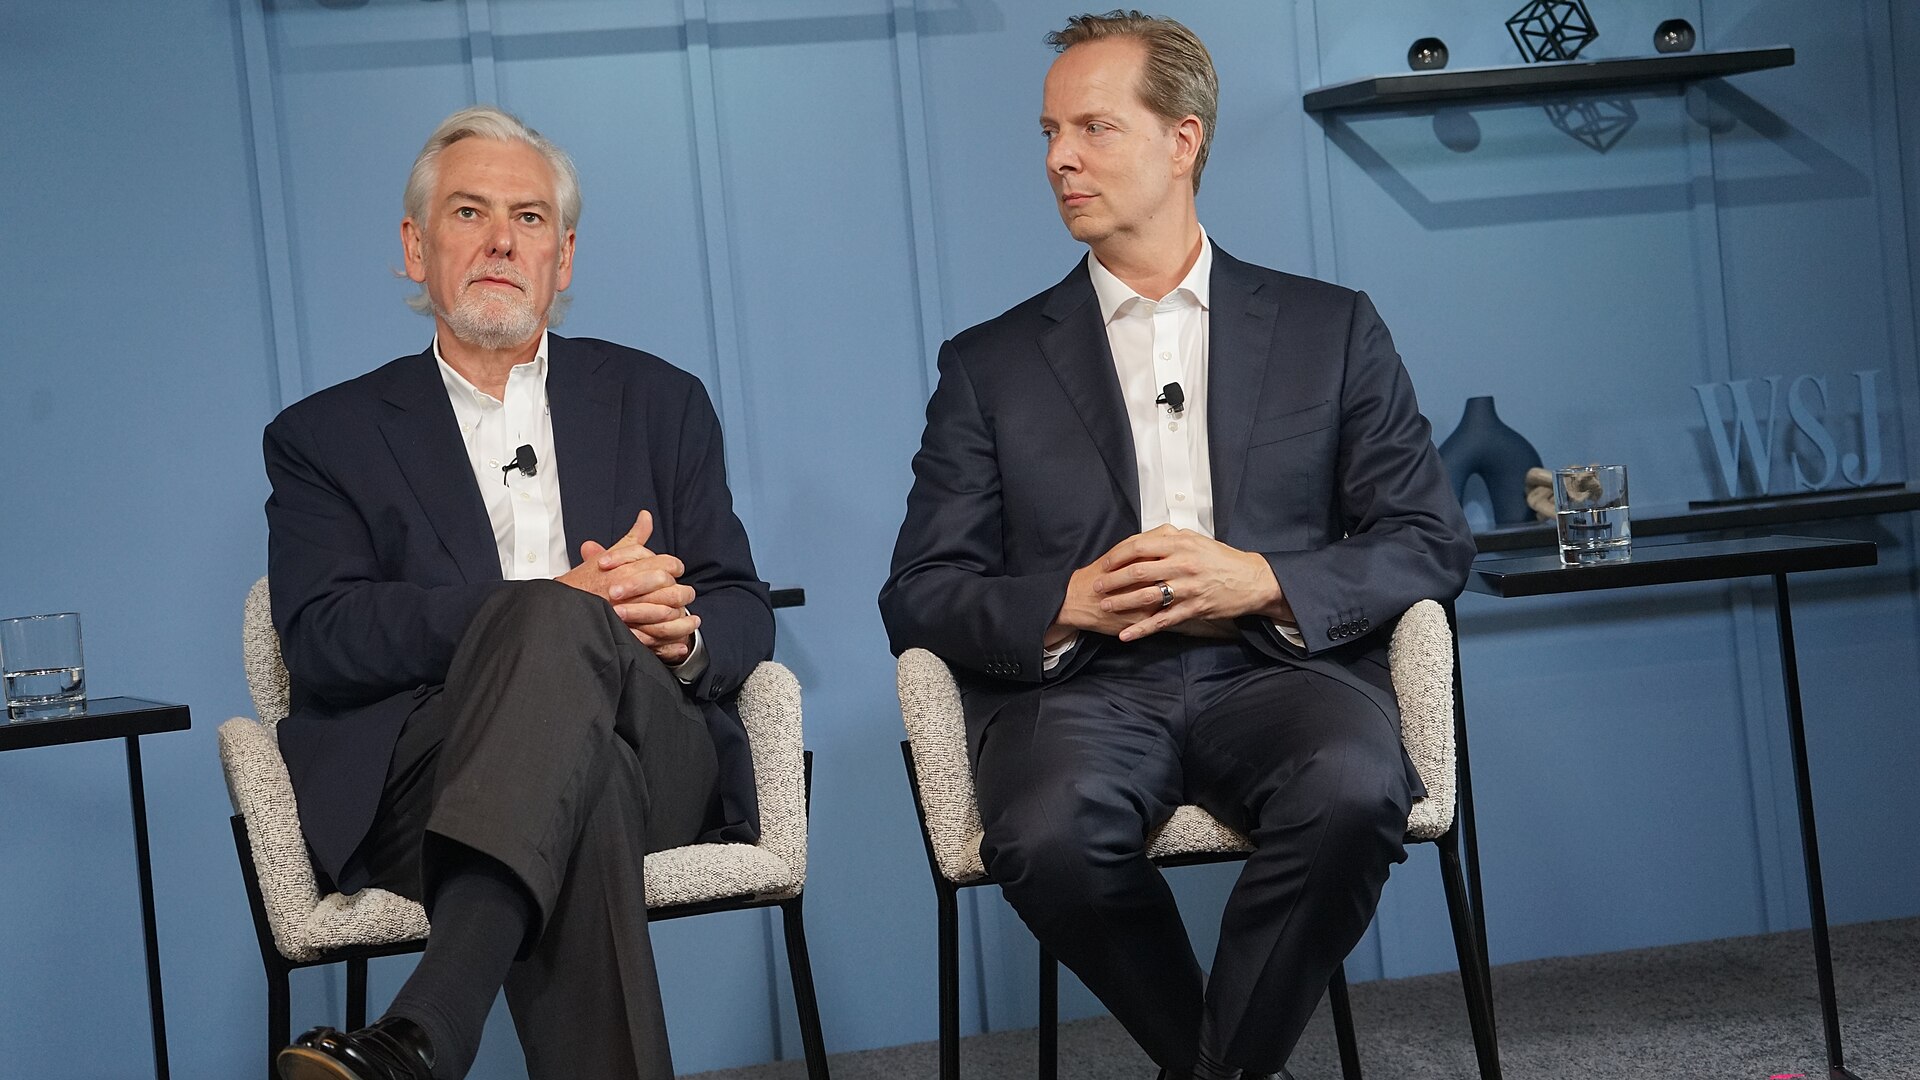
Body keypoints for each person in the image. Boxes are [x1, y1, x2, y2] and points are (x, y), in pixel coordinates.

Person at [878, 13, 1474, 1080]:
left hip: (1277, 670)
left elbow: (1429, 539)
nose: (1060, 159)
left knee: (1353, 789)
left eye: (1095, 129)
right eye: (1051, 133)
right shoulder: (989, 366)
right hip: (1084, 693)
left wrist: (1265, 579)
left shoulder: (1330, 329)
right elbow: (919, 591)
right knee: (1045, 835)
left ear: (1183, 140)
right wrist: (1066, 601)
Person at [263, 106, 772, 1080]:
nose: (502, 239)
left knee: (572, 657)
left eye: (530, 218)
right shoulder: (324, 436)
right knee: (586, 785)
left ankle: (425, 1028)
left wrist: (685, 632)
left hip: (653, 731)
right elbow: (321, 638)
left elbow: (743, 604)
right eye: (468, 212)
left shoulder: (660, 403)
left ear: (564, 256)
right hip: (435, 770)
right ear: (416, 248)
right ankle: (417, 1044)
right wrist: (550, 603)